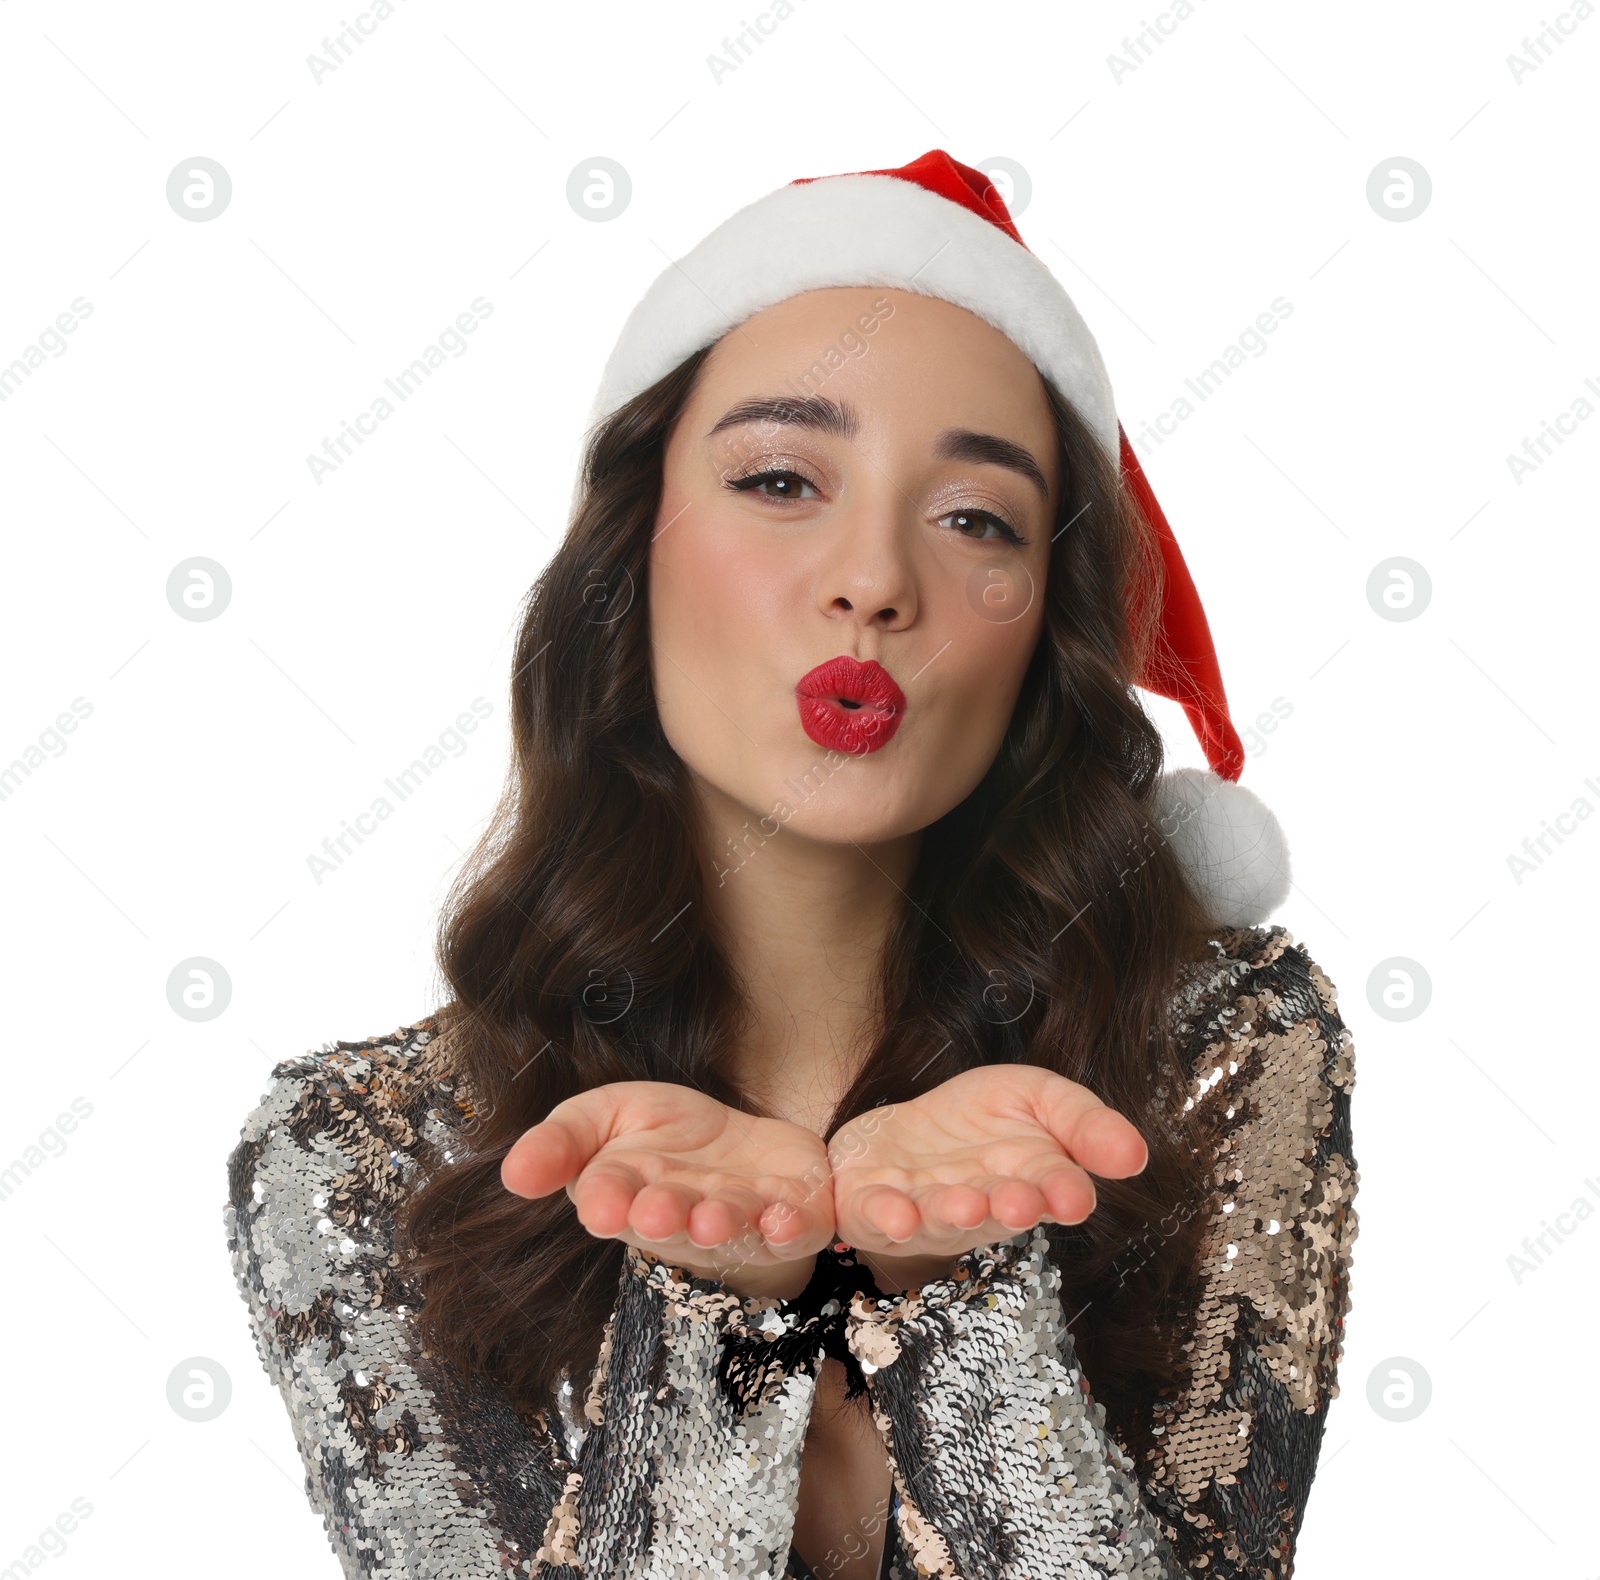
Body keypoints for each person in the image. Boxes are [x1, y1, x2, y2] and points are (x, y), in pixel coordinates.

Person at [225, 150, 1358, 1580]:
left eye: (975, 518)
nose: (875, 577)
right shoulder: (359, 1155)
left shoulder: (1224, 1047)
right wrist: (715, 1323)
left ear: (1041, 633)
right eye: (778, 478)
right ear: (629, 560)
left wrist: (959, 1296)